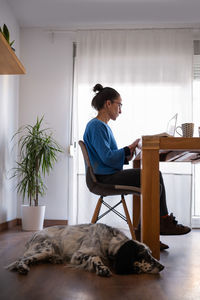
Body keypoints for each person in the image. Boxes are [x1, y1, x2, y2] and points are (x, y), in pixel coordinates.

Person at [83, 83, 191, 250]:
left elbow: (108, 156)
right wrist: (127, 149)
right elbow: (107, 157)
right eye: (119, 105)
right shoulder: (96, 126)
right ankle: (154, 228)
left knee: (154, 176)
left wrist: (128, 152)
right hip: (103, 178)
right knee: (153, 177)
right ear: (108, 103)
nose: (120, 110)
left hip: (105, 174)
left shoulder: (102, 126)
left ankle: (154, 227)